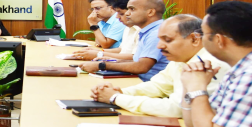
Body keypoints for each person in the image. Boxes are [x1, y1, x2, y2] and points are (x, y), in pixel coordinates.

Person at [90, 14, 229, 117]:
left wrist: (116, 98)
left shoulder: (209, 64)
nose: (159, 46)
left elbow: (176, 108)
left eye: (167, 40)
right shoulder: (181, 58)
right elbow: (158, 86)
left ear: (194, 39)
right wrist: (120, 92)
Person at [79, 0, 169, 81]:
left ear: (150, 12)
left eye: (132, 9)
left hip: (147, 82)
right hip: (138, 79)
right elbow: (137, 60)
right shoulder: (148, 30)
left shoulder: (156, 33)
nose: (128, 13)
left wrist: (102, 65)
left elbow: (141, 67)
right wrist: (115, 61)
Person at [73, 0, 139, 61]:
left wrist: (99, 54)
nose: (94, 12)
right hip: (119, 60)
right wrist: (99, 51)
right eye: (92, 9)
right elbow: (121, 49)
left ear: (111, 8)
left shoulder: (122, 22)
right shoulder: (128, 27)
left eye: (98, 8)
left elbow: (105, 45)